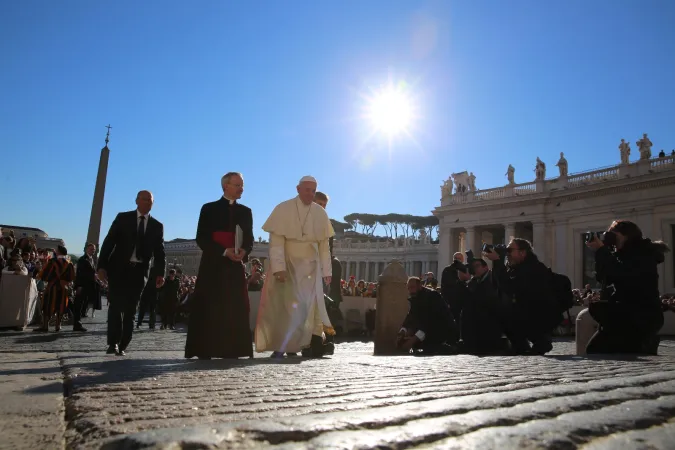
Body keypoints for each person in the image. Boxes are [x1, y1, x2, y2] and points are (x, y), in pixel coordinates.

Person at [255, 176, 334, 358]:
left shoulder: (320, 214)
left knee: (304, 309)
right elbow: (276, 242)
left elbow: (324, 246)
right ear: (298, 189)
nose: (310, 194)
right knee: (286, 308)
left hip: (310, 269)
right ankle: (283, 346)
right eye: (307, 190)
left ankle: (297, 345)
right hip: (289, 265)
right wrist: (279, 267)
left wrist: (327, 271)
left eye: (313, 190)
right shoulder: (283, 208)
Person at [185, 172, 254, 359]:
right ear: (226, 186)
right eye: (238, 185)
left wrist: (243, 252)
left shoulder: (246, 212)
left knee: (234, 308)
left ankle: (233, 350)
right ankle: (205, 349)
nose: (242, 189)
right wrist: (224, 251)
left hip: (234, 267)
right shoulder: (208, 209)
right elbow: (202, 237)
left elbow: (249, 239)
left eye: (242, 185)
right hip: (213, 266)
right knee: (209, 307)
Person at [585, 220, 670, 354]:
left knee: (605, 350)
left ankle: (645, 343)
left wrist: (602, 251)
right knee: (594, 349)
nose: (609, 237)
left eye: (613, 234)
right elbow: (604, 278)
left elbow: (621, 273)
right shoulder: (620, 255)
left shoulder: (643, 254)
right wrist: (601, 251)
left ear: (626, 236)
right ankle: (644, 344)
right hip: (624, 313)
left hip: (640, 315)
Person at [97, 190, 166, 356]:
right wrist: (101, 266)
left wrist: (160, 273)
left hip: (139, 272)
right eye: (144, 199)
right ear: (136, 200)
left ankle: (123, 344)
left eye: (150, 201)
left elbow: (160, 252)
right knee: (115, 306)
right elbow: (109, 242)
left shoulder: (157, 226)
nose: (147, 203)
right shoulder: (123, 218)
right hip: (119, 269)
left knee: (131, 309)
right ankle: (112, 342)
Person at [485, 238, 558, 355]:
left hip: (538, 314)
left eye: (510, 250)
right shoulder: (515, 268)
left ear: (522, 252)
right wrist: (497, 262)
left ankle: (541, 341)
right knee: (497, 311)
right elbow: (498, 285)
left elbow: (511, 288)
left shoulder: (534, 268)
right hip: (524, 312)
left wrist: (498, 261)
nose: (507, 254)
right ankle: (520, 345)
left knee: (511, 312)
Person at [397, 277, 457, 354]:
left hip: (442, 333)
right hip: (429, 332)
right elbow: (410, 317)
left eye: (412, 287)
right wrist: (403, 331)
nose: (410, 291)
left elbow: (430, 321)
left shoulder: (432, 296)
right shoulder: (415, 298)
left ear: (420, 286)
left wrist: (414, 339)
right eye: (408, 288)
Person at [35, 245, 75, 332]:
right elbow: (71, 277)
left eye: (56, 250)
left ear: (59, 252)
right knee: (60, 305)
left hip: (52, 287)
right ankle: (58, 325)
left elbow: (46, 275)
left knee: (48, 305)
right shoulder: (69, 263)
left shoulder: (52, 262)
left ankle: (45, 325)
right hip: (63, 288)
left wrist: (42, 275)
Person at [72, 243, 101, 332]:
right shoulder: (82, 260)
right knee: (79, 305)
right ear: (86, 249)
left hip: (88, 286)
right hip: (82, 286)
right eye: (91, 249)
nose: (93, 251)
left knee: (83, 305)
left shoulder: (92, 259)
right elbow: (80, 274)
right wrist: (79, 286)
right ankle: (77, 324)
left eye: (94, 249)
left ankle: (78, 323)